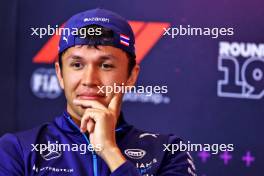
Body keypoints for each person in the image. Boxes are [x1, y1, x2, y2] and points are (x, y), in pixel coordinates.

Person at [0, 8, 196, 176]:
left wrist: (110, 151)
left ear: (131, 76)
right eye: (77, 65)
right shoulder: (17, 150)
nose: (89, 80)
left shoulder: (167, 152)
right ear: (60, 74)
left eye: (105, 65)